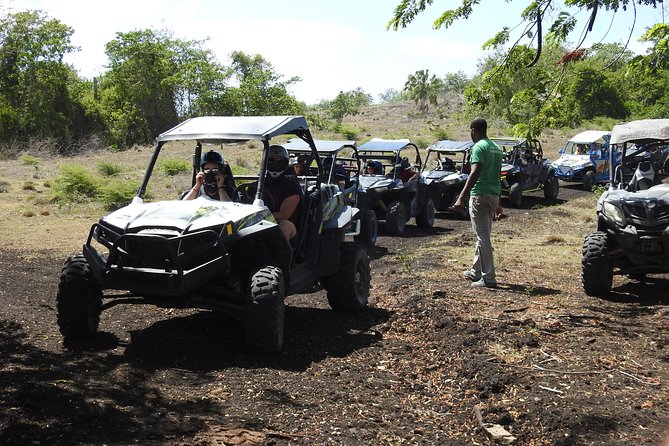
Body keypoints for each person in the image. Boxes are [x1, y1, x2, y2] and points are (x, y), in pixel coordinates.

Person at [454, 117, 503, 288]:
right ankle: (476, 271)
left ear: (473, 130)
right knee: (483, 234)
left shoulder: (478, 147)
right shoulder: (496, 148)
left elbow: (474, 172)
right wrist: (499, 201)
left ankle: (488, 278)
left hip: (480, 196)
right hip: (493, 195)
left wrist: (461, 197)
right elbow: (498, 175)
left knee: (482, 237)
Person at [264, 145, 302, 241]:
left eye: (280, 160)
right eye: (271, 160)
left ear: (285, 163)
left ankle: (277, 255)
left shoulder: (292, 187)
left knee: (284, 225)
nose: (276, 163)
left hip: (286, 228)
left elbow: (283, 215)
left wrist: (257, 216)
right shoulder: (258, 185)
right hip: (257, 225)